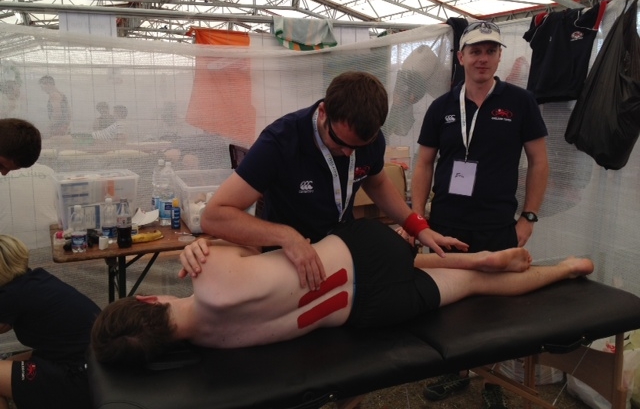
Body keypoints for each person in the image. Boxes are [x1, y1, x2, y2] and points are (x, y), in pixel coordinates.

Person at [91, 219, 593, 364]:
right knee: (402, 258)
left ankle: (566, 268)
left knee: (482, 288)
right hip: (363, 254)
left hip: (370, 310)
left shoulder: (214, 346)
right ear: (148, 300)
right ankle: (474, 254)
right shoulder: (211, 277)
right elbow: (251, 233)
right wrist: (202, 243)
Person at [179, 71, 468, 290]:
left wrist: (417, 226)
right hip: (287, 260)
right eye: (340, 143)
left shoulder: (369, 139)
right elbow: (214, 217)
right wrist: (286, 237)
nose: (347, 153)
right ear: (323, 112)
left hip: (340, 252)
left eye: (358, 146)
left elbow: (376, 181)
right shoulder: (279, 142)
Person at [411, 21, 549, 409]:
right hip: (446, 225)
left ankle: (492, 379)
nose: (482, 58)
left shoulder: (521, 103)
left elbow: (539, 163)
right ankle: (455, 370)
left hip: (497, 223)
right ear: (461, 58)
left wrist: (530, 217)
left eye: (490, 50)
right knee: (449, 301)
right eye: (475, 51)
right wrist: (416, 218)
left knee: (495, 307)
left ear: (499, 56)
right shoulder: (442, 107)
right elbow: (424, 164)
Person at [0, 234, 101, 409]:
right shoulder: (34, 279)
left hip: (78, 376)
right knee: (8, 364)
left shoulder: (10, 296)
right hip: (96, 366)